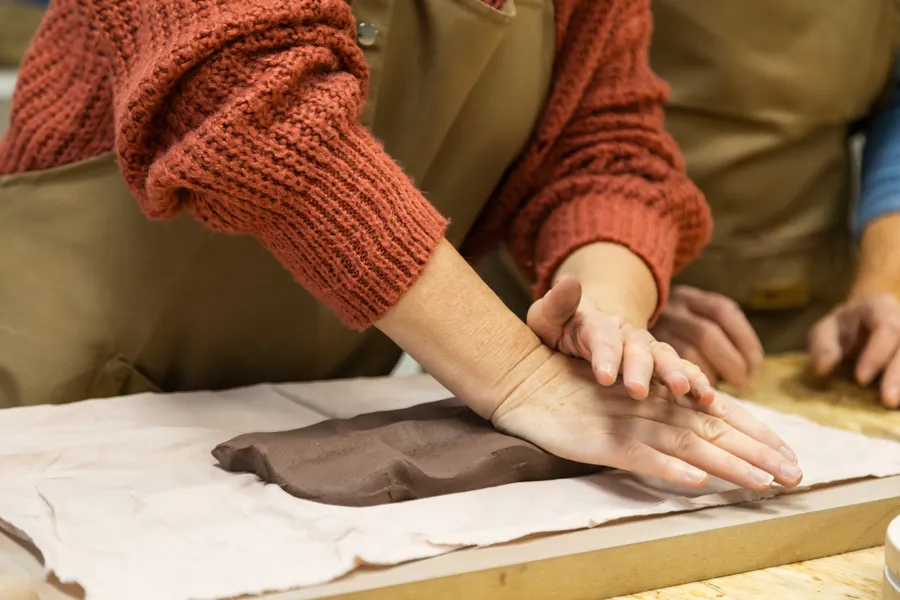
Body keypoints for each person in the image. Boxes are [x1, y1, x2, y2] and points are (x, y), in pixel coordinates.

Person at [0, 0, 802, 491]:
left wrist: (609, 318)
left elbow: (605, 148)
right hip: (46, 400)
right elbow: (249, 106)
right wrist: (521, 375)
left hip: (289, 409)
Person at [640, 0, 900, 409]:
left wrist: (884, 283)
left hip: (812, 318)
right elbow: (580, 118)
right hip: (570, 297)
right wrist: (625, 293)